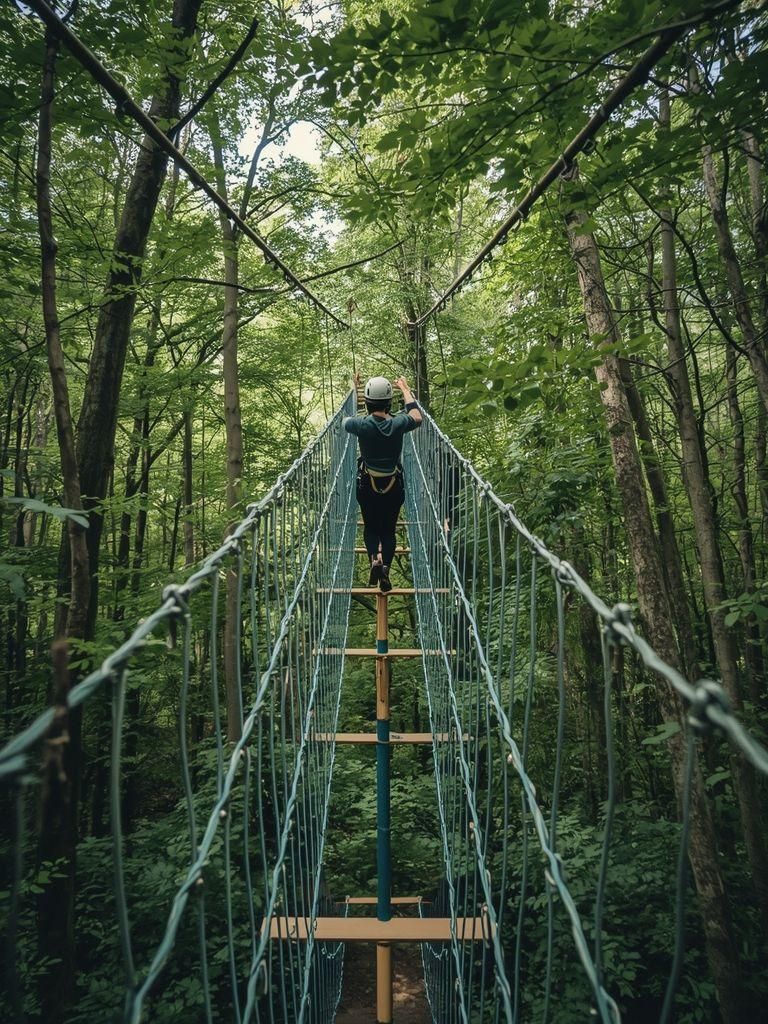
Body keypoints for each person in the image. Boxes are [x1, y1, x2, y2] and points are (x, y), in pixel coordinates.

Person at [343, 374, 423, 591]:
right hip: (393, 486)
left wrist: (353, 387)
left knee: (371, 529)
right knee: (387, 530)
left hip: (367, 485)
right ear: (389, 403)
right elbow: (417, 416)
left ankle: (373, 561)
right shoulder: (399, 423)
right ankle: (385, 567)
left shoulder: (361, 425)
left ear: (367, 403)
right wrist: (405, 389)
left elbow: (345, 420)